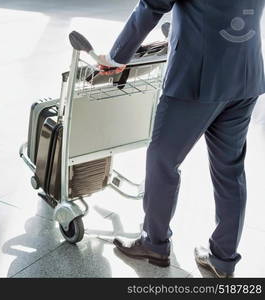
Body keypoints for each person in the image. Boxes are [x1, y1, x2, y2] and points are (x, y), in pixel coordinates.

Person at [97, 0, 265, 278]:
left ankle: (154, 243)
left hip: (196, 78)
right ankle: (223, 260)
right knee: (230, 170)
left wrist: (117, 57)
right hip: (245, 74)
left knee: (162, 159)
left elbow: (152, 5)